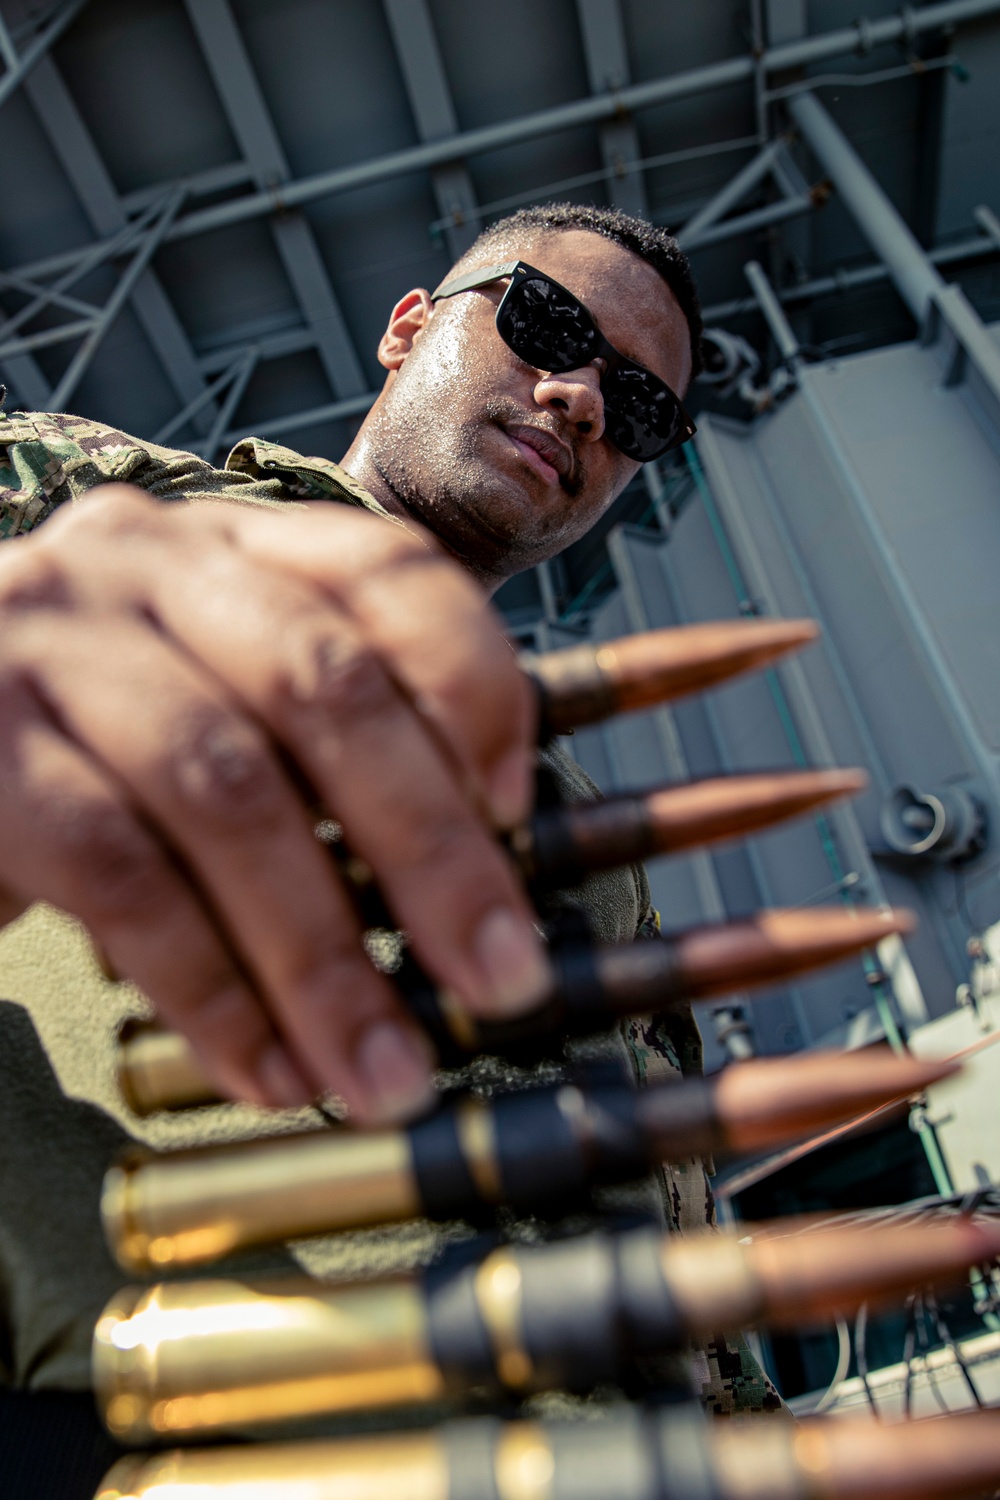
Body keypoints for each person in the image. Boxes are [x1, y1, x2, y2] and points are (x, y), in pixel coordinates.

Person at [0, 203, 781, 1496]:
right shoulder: (80, 502)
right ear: (408, 325)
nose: (582, 397)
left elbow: (666, 1218)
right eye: (546, 324)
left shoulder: (575, 817)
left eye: (642, 409)